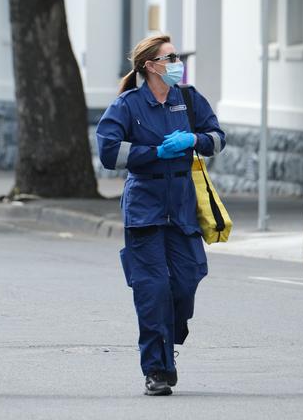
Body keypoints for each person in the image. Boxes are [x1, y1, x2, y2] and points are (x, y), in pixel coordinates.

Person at [96, 34, 225, 396]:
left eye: (177, 57)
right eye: (170, 58)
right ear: (150, 66)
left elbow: (217, 137)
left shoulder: (188, 98)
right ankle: (156, 368)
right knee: (153, 290)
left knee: (186, 281)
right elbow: (108, 152)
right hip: (145, 207)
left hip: (182, 204)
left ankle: (169, 337)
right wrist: (154, 152)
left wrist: (193, 142)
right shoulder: (128, 104)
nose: (177, 64)